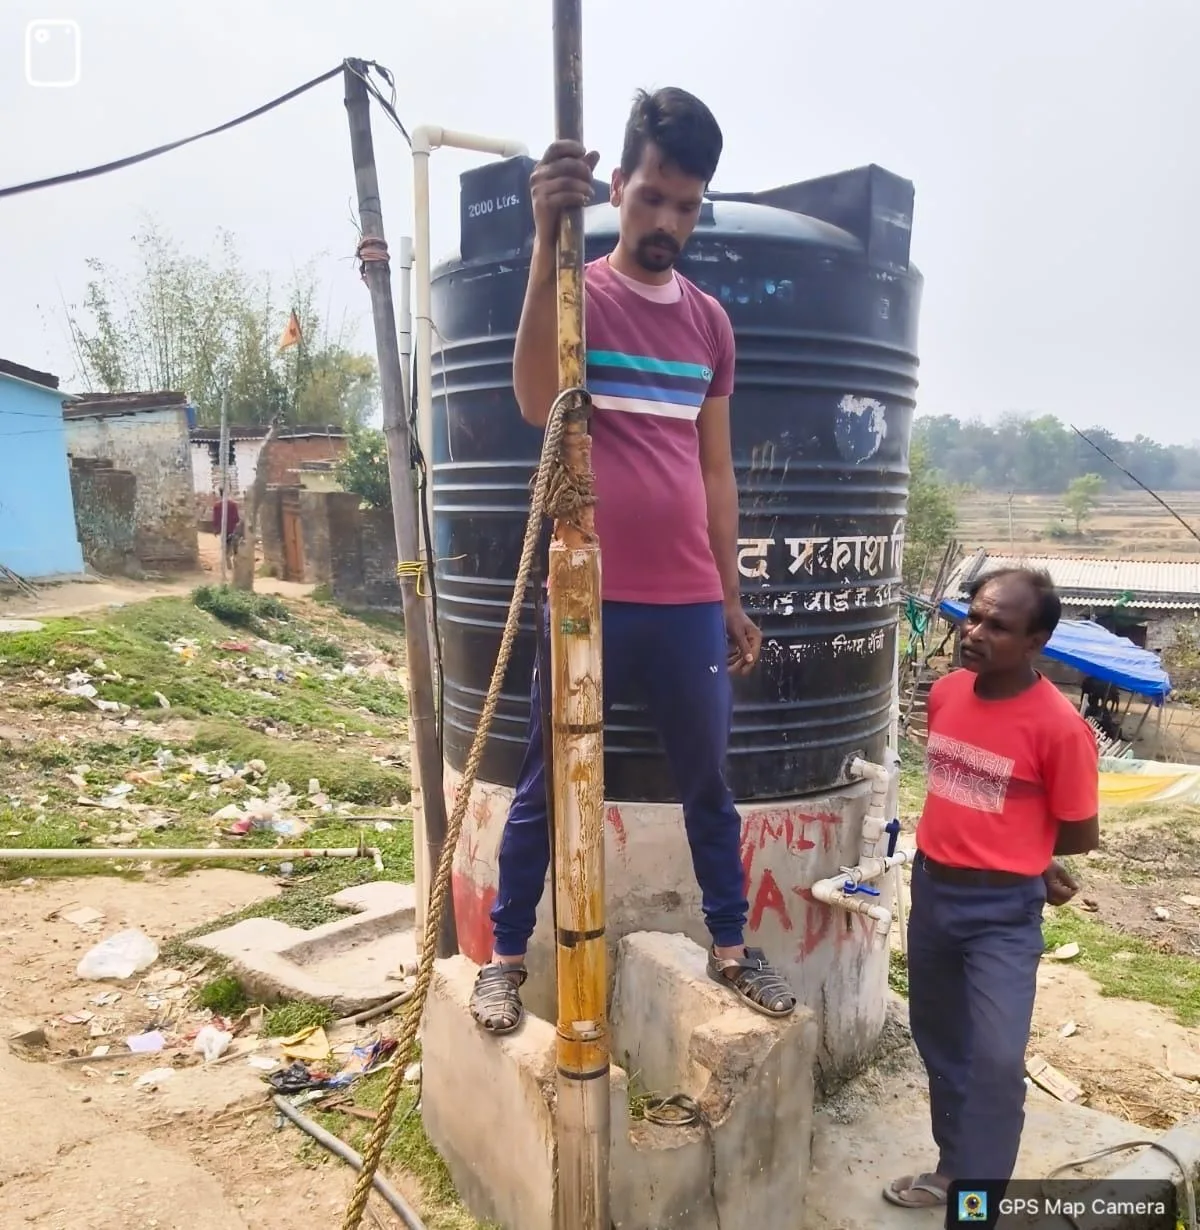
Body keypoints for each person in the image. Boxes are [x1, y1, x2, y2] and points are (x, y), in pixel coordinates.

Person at [468, 86, 797, 1035]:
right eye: (651, 198)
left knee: (708, 785)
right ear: (617, 186)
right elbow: (535, 399)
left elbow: (715, 469)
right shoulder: (580, 297)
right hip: (589, 590)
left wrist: (730, 594)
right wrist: (545, 243)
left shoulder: (710, 324)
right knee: (546, 782)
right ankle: (503, 960)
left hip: (687, 600)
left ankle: (732, 949)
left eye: (685, 206)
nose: (665, 223)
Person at [885, 567, 1100, 1210]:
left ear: (1036, 642)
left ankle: (974, 1208)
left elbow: (1079, 832)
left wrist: (1024, 858)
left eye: (997, 626)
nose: (973, 634)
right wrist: (1013, 845)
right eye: (973, 617)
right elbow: (969, 795)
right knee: (940, 1042)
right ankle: (955, 1173)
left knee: (998, 1061)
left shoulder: (1059, 728)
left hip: (1002, 913)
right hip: (932, 895)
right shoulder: (946, 694)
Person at [212, 488, 241, 554]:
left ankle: (226, 556)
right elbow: (236, 519)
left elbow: (215, 519)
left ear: (220, 494)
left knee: (224, 548)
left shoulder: (217, 506)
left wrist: (215, 529)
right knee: (231, 545)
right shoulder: (233, 505)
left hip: (222, 530)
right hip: (231, 529)